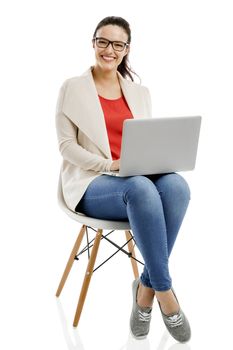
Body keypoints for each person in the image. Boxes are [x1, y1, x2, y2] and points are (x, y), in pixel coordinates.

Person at [55, 16, 191, 343]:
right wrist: (111, 165)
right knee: (142, 190)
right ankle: (164, 293)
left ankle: (144, 290)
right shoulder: (72, 88)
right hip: (91, 182)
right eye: (103, 41)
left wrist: (149, 161)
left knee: (176, 186)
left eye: (118, 44)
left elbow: (145, 140)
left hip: (132, 176)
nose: (109, 50)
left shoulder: (139, 92)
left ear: (126, 49)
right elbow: (66, 148)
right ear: (93, 43)